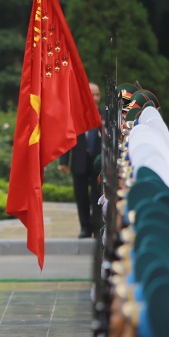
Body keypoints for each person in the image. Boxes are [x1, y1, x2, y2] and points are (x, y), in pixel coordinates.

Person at [60, 82, 102, 238]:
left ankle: (98, 228)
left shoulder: (104, 114)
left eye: (97, 94)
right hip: (79, 162)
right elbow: (67, 139)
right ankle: (85, 228)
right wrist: (64, 161)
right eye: (92, 94)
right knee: (81, 197)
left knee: (98, 198)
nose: (95, 98)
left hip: (99, 163)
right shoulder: (74, 115)